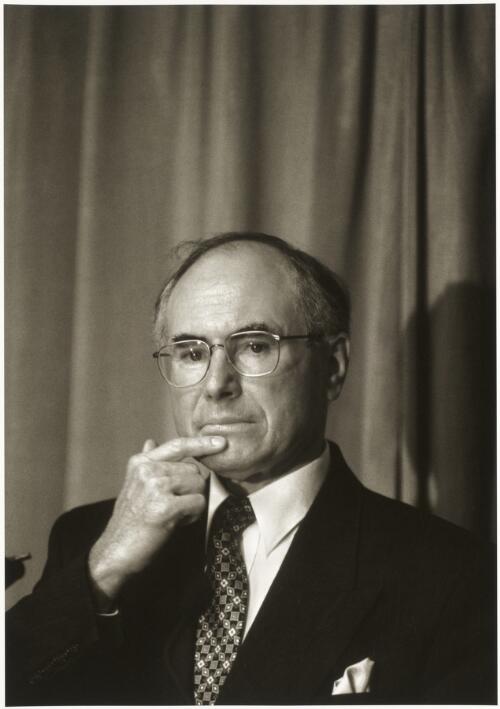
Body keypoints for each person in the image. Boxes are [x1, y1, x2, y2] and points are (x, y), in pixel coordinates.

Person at [6, 232, 496, 705]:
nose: (217, 384)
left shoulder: (451, 575)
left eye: (255, 345)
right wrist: (102, 569)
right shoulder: (87, 541)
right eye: (192, 352)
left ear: (333, 367)